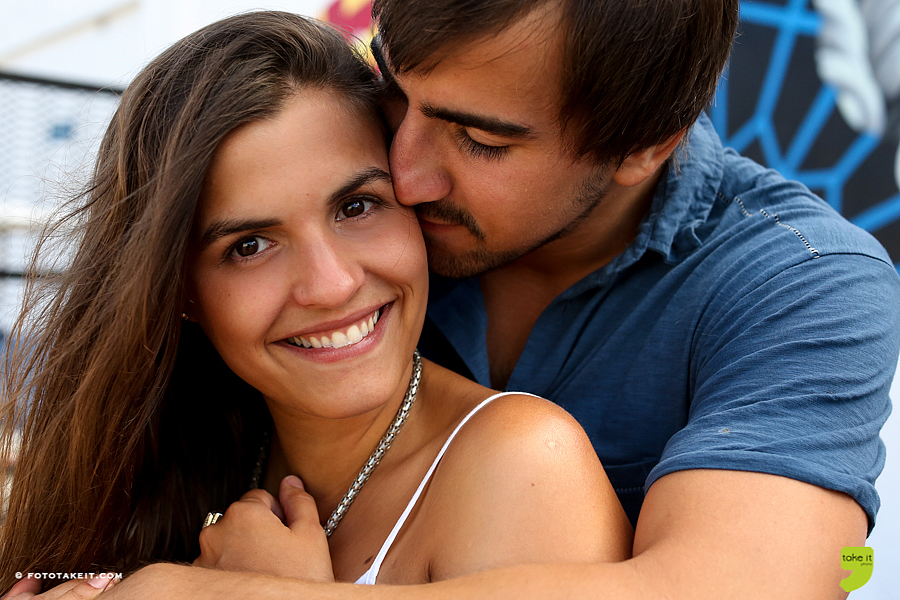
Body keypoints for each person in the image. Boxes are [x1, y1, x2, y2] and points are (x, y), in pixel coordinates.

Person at [8, 0, 900, 598]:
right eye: (396, 87)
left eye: (479, 140)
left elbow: (729, 590)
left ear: (642, 147)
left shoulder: (799, 280)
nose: (405, 169)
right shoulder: (362, 256)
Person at [0, 10, 633, 597]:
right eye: (250, 245)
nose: (330, 285)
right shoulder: (170, 462)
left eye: (357, 207)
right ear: (180, 292)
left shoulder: (518, 465)